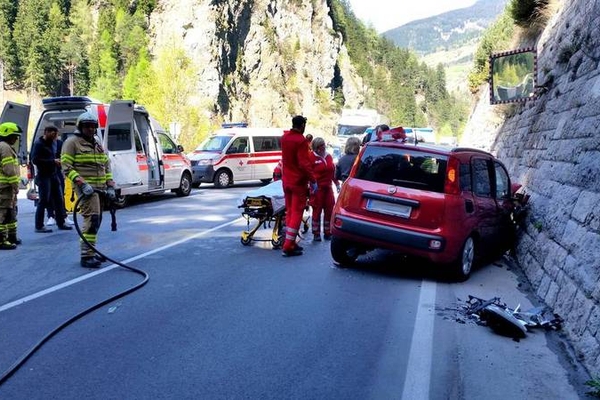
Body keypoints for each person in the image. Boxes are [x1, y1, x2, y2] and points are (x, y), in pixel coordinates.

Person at [62, 111, 116, 268]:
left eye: (93, 126)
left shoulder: (97, 143)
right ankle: (86, 256)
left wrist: (110, 185)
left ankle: (91, 250)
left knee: (96, 221)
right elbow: (66, 167)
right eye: (87, 127)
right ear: (80, 127)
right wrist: (81, 183)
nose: (91, 129)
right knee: (91, 220)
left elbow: (106, 165)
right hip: (85, 189)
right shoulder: (72, 143)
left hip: (100, 189)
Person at [280, 115, 316, 257]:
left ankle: (291, 242)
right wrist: (313, 180)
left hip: (286, 181)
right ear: (302, 126)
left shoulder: (285, 138)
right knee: (297, 212)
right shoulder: (300, 141)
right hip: (298, 182)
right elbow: (303, 163)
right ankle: (288, 245)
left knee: (289, 211)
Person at [31, 126, 73, 233]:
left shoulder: (54, 143)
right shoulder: (39, 144)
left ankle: (61, 222)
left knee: (59, 199)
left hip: (54, 175)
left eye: (56, 134)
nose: (55, 136)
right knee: (44, 200)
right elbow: (35, 160)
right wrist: (52, 161)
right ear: (46, 132)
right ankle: (39, 225)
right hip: (44, 176)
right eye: (53, 133)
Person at [309, 137, 338, 241]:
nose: (323, 148)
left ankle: (327, 232)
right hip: (317, 189)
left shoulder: (328, 156)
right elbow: (308, 172)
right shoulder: (311, 157)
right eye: (321, 146)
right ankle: (316, 233)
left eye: (324, 145)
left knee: (329, 209)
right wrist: (312, 185)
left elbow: (333, 171)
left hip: (328, 188)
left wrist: (336, 183)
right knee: (317, 211)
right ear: (316, 148)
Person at [0, 122, 23, 250]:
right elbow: (9, 169)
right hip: (4, 187)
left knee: (11, 211)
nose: (16, 138)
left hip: (7, 186)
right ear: (6, 134)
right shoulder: (5, 147)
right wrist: (15, 185)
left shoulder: (6, 146)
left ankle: (11, 237)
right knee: (3, 212)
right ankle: (1, 240)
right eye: (14, 135)